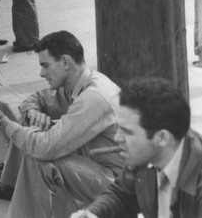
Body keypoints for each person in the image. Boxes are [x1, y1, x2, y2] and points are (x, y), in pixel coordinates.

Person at [0, 31, 123, 218]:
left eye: (46, 65)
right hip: (100, 171)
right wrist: (33, 112)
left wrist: (1, 121)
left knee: (38, 155)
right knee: (30, 126)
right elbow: (36, 99)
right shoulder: (80, 83)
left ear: (66, 62)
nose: (41, 73)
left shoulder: (93, 97)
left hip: (119, 187)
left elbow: (45, 148)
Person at [71, 77, 202, 218]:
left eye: (127, 131)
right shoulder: (147, 157)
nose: (117, 138)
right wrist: (93, 214)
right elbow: (122, 194)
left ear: (162, 138)